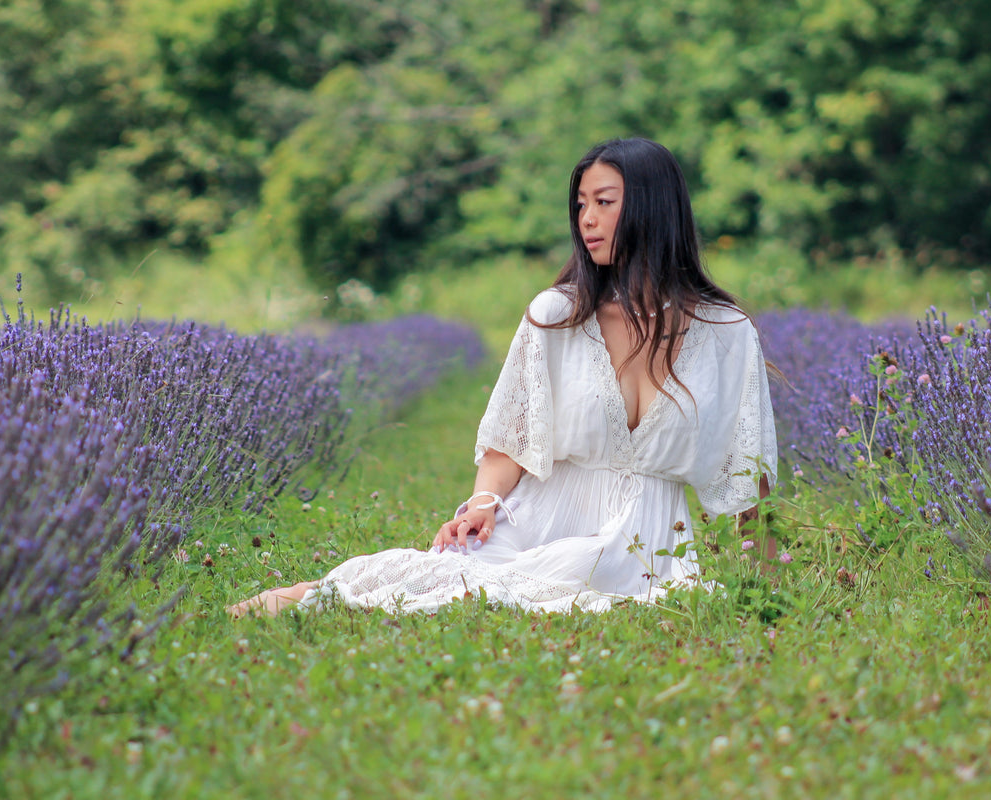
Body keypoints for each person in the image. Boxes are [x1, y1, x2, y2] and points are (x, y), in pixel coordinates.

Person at [227, 137, 777, 618]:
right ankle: (310, 594)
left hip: (649, 544)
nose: (586, 219)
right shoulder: (558, 315)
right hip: (543, 516)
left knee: (535, 591)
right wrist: (483, 504)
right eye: (581, 204)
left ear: (654, 210)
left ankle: (313, 596)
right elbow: (513, 437)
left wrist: (766, 583)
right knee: (449, 581)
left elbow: (749, 470)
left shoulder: (726, 333)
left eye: (605, 203)